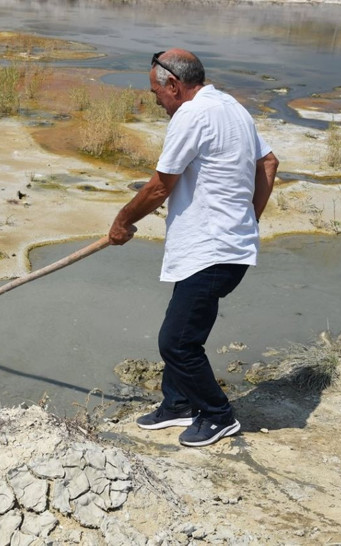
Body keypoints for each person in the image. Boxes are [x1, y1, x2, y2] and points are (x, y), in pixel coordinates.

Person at [108, 49, 278, 447]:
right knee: (182, 324)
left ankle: (218, 415)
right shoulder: (230, 105)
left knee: (178, 341)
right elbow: (268, 163)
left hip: (212, 249)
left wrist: (122, 221)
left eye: (156, 92)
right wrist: (248, 221)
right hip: (221, 246)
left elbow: (159, 186)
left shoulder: (192, 114)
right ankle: (178, 403)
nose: (155, 101)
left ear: (174, 85)